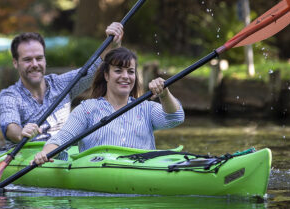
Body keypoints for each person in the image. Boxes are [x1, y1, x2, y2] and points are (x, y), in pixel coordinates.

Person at [33, 47, 183, 165]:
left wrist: (164, 94)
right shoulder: (87, 110)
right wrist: (45, 153)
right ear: (106, 75)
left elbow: (175, 118)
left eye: (130, 72)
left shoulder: (146, 108)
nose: (125, 76)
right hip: (99, 174)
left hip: (142, 170)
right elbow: (61, 139)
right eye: (118, 71)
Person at [0, 22, 124, 143]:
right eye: (27, 60)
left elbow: (94, 70)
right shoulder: (9, 96)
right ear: (15, 63)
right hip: (26, 158)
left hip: (62, 155)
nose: (35, 64)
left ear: (45, 60)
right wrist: (21, 133)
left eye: (39, 58)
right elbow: (10, 126)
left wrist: (111, 43)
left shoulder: (60, 84)